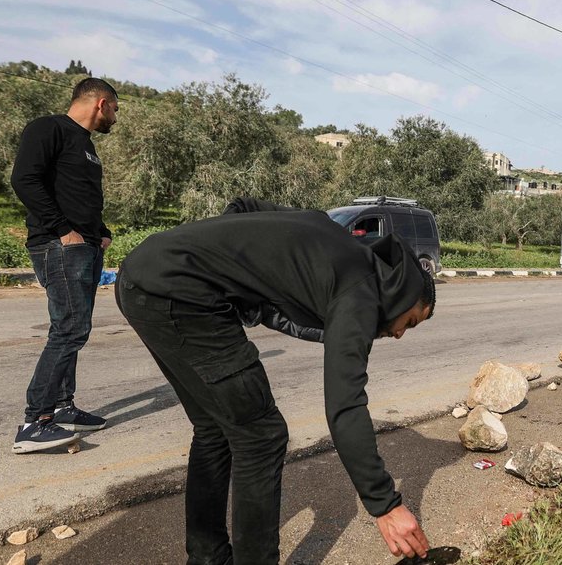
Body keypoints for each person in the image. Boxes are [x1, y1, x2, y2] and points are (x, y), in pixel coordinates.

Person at [115, 197, 434, 564]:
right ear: (405, 293)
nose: (398, 336)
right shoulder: (360, 294)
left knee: (215, 428)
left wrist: (229, 260)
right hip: (182, 296)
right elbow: (345, 406)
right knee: (261, 435)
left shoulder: (330, 232)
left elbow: (245, 207)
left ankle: (207, 557)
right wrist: (386, 505)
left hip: (144, 276)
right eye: (409, 323)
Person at [9, 77, 118, 454]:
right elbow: (24, 180)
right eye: (115, 111)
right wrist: (63, 231)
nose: (115, 119)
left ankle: (62, 407)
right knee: (70, 330)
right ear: (101, 104)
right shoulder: (49, 128)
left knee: (72, 329)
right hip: (59, 245)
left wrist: (100, 231)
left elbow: (82, 196)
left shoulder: (85, 145)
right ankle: (34, 423)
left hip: (85, 245)